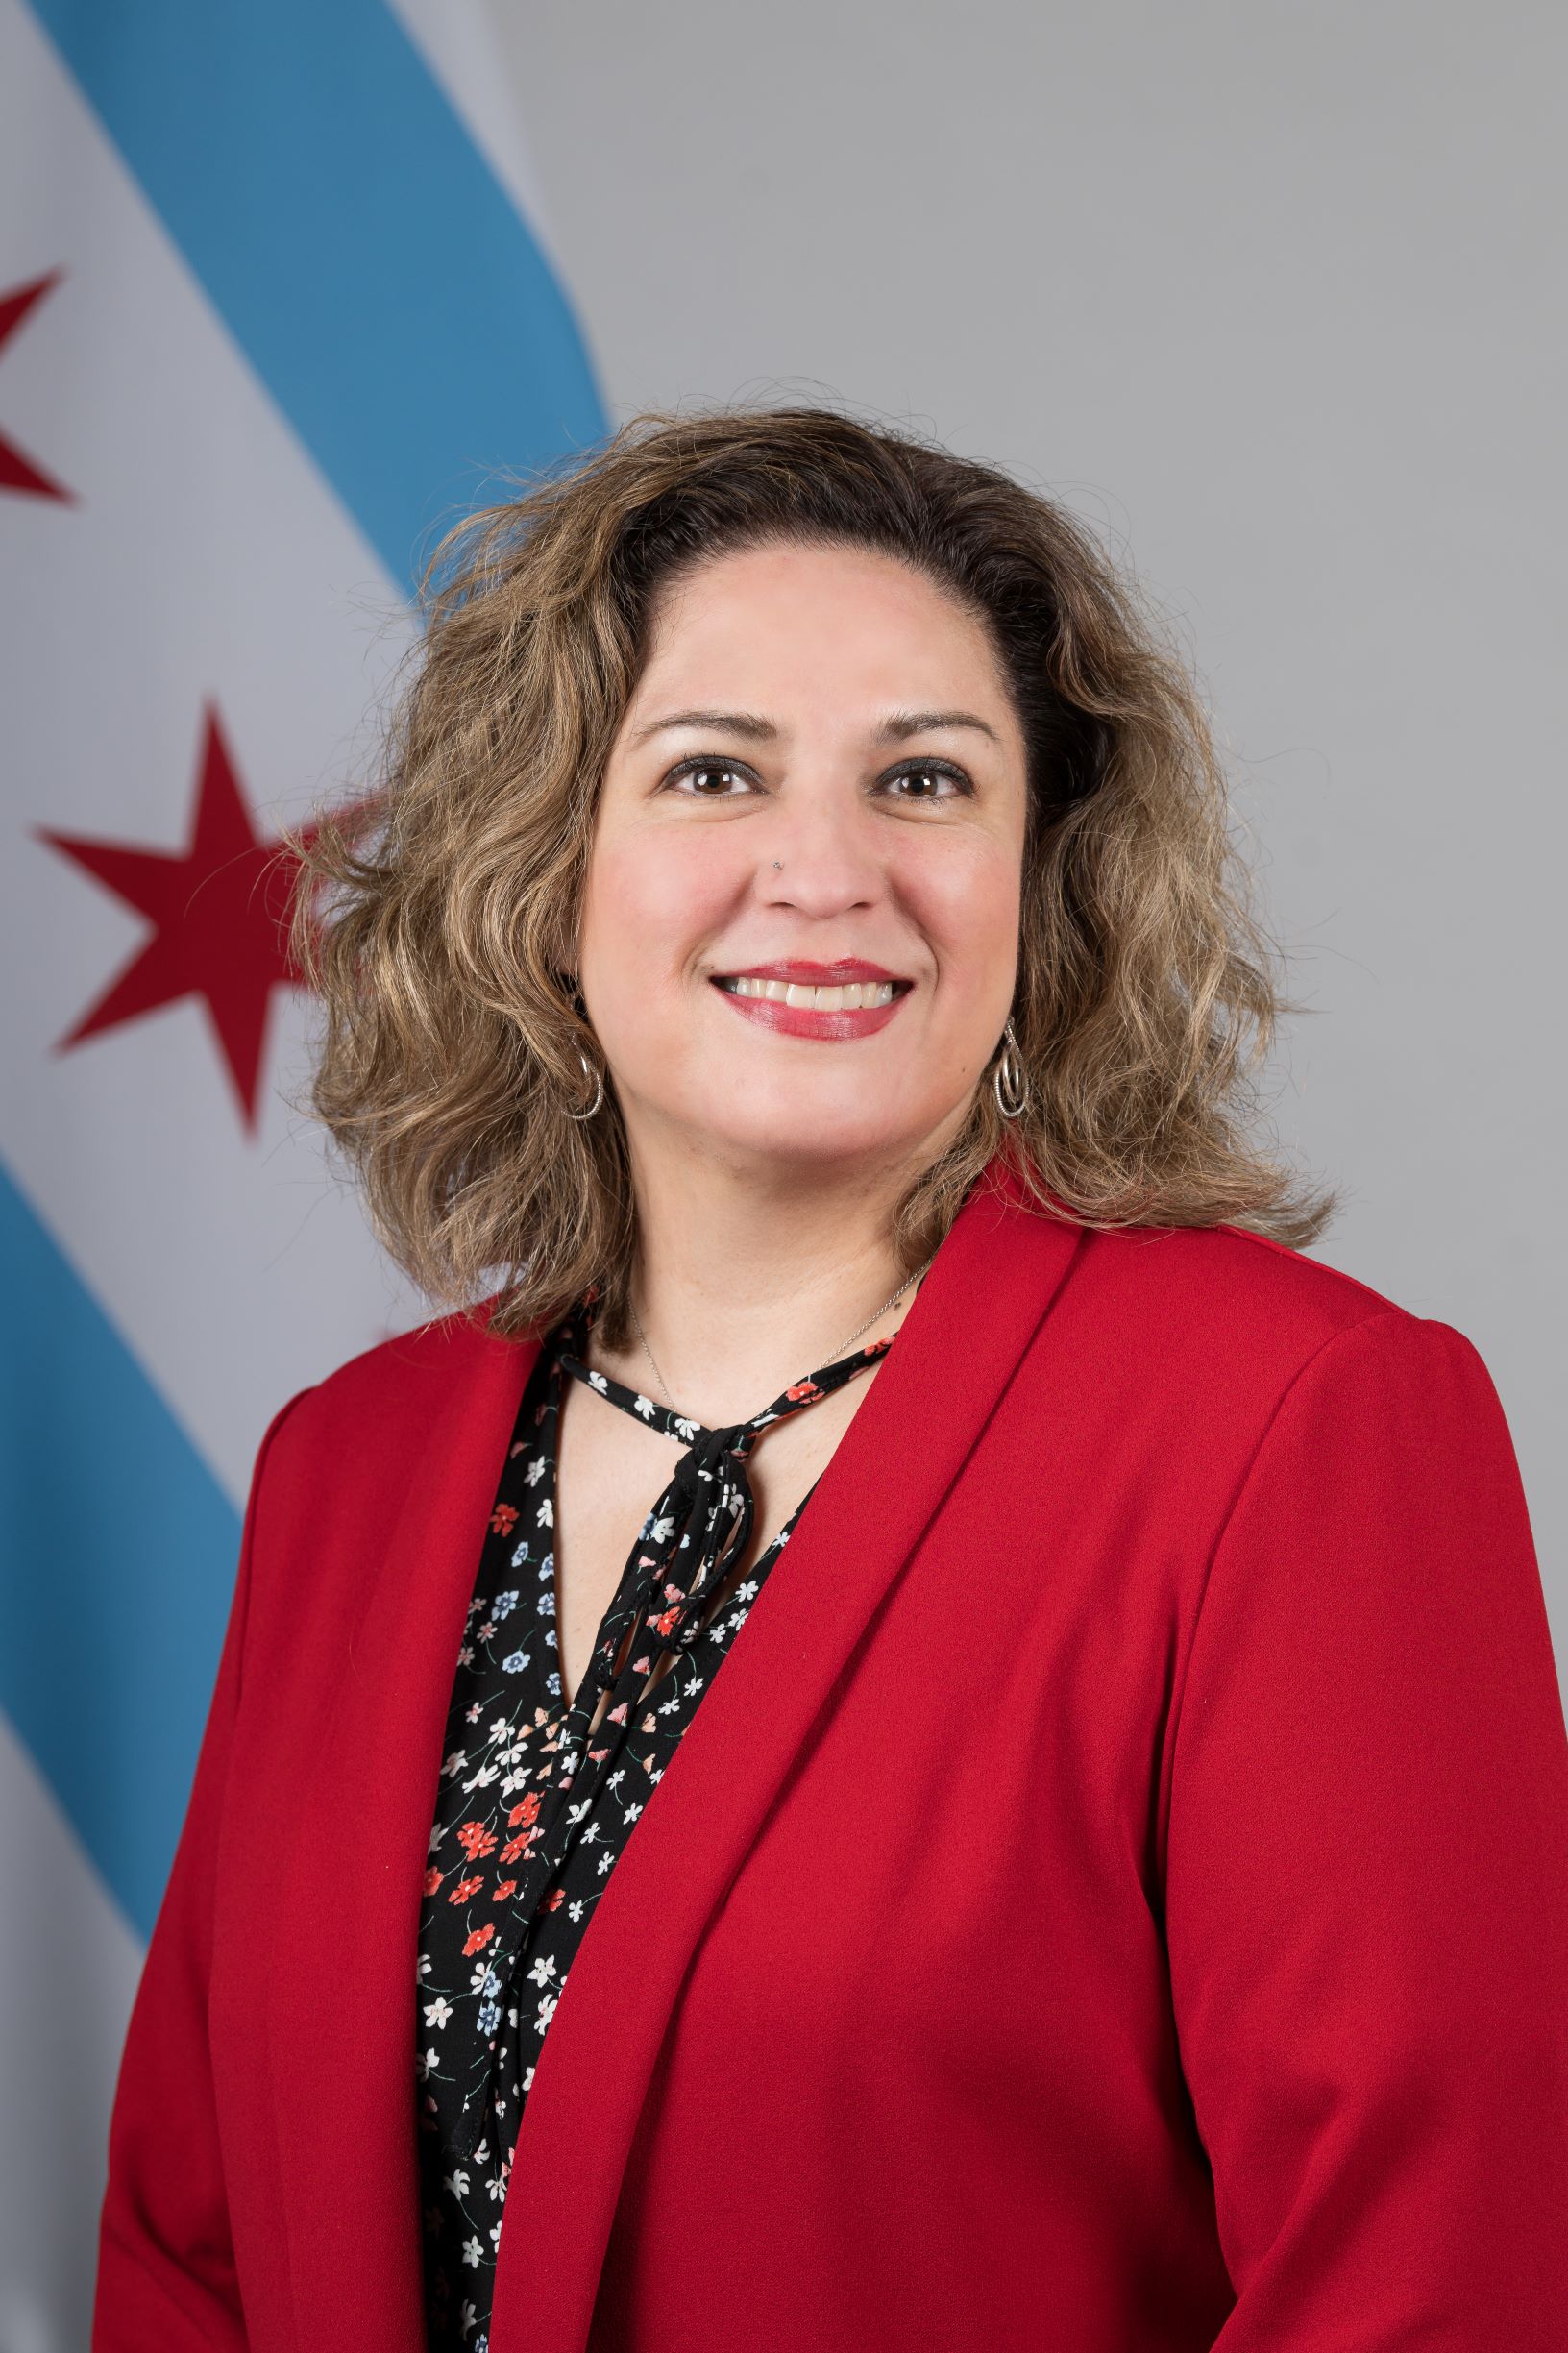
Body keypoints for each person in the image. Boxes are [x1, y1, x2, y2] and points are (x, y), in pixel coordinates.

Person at [92, 405, 1568, 2353]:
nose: (826, 871)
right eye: (715, 771)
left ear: (1040, 883)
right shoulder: (342, 1475)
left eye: (926, 783)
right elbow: (187, 2256)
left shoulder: (1291, 1426)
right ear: (548, 873)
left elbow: (1437, 2276)